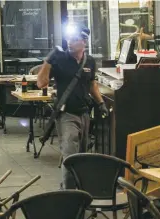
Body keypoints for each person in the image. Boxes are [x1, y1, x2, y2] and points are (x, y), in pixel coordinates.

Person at [37, 23, 109, 189]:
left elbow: (92, 85)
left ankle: (80, 191)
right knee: (70, 156)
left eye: (75, 39)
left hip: (84, 114)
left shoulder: (89, 61)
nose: (70, 42)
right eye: (68, 38)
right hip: (66, 115)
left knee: (82, 156)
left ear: (84, 41)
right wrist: (47, 61)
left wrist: (101, 103)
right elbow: (41, 83)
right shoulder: (60, 60)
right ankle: (68, 194)